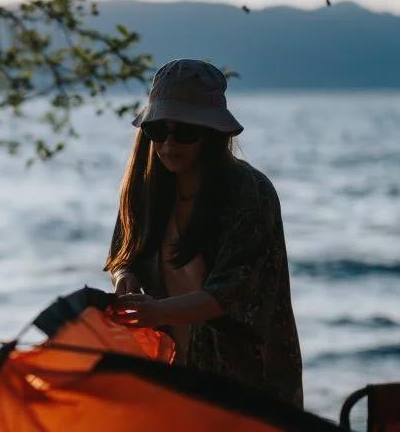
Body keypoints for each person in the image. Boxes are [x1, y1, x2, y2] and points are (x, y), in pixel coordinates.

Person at [105, 59, 302, 406]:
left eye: (184, 132)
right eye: (157, 131)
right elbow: (124, 254)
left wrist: (156, 312)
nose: (168, 144)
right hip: (170, 376)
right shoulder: (145, 189)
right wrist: (124, 277)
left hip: (247, 389)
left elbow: (232, 294)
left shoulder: (249, 191)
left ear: (212, 134)